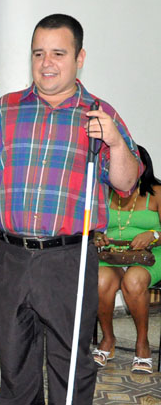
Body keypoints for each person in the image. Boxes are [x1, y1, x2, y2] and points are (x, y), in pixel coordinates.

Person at [0, 14, 142, 404]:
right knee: (14, 360)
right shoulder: (5, 110)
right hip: (9, 256)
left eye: (59, 53)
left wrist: (117, 144)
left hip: (68, 259)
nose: (46, 63)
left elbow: (126, 183)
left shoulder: (98, 113)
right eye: (39, 53)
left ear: (80, 57)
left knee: (70, 363)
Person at [93, 145, 161, 374]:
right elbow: (92, 226)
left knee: (133, 281)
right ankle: (108, 338)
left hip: (152, 254)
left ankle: (142, 343)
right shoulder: (104, 192)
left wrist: (153, 234)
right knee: (100, 280)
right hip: (112, 253)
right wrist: (97, 236)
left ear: (141, 166)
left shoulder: (157, 192)